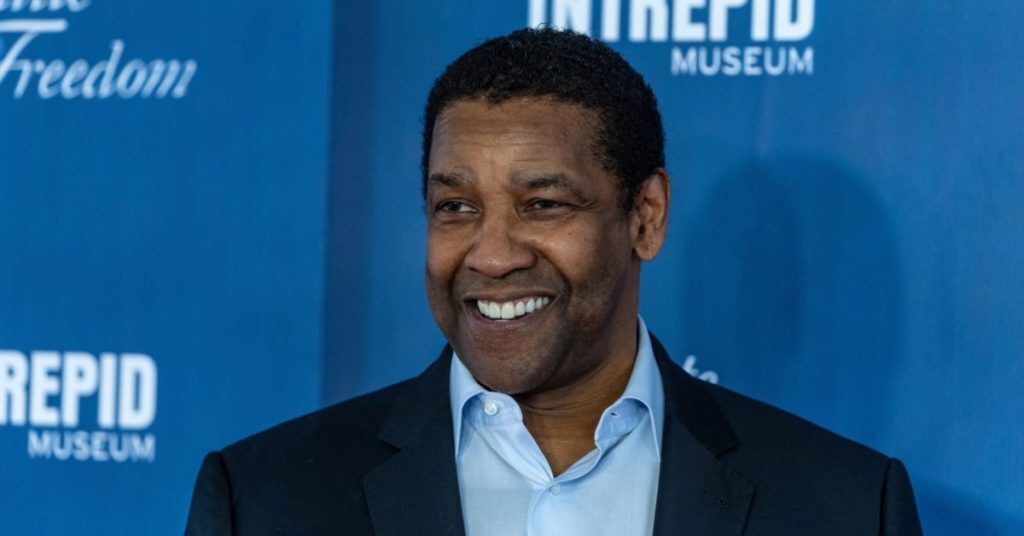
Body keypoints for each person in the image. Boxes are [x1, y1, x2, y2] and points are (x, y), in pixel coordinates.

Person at [185, 28, 922, 535]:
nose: (492, 255)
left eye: (542, 205)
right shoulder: (265, 501)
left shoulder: (846, 507)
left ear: (645, 217)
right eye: (455, 208)